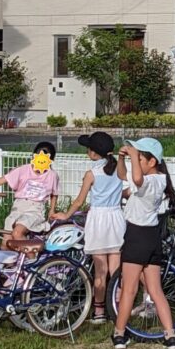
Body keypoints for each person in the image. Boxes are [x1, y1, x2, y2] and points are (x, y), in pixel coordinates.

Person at [112, 137, 175, 349]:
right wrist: (122, 159)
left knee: (129, 289)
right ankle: (170, 335)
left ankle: (119, 333)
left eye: (140, 158)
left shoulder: (151, 181)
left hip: (137, 236)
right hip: (152, 237)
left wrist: (132, 154)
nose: (136, 161)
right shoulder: (157, 179)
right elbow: (123, 175)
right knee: (155, 290)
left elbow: (137, 179)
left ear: (152, 162)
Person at [50, 132, 125, 324]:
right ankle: (118, 308)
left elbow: (79, 201)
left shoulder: (91, 174)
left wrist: (65, 215)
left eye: (88, 149)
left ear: (93, 153)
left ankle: (99, 312)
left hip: (98, 221)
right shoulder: (119, 170)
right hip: (117, 219)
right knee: (116, 271)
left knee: (100, 271)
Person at [0, 141, 60, 241]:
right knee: (6, 241)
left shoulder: (52, 175)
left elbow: (54, 193)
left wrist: (52, 209)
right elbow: (3, 179)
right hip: (18, 207)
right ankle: (15, 252)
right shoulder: (23, 170)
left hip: (35, 209)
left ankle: (31, 251)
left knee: (17, 233)